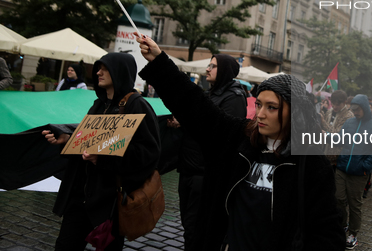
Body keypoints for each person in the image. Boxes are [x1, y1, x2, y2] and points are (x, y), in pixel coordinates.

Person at [135, 34, 345, 250]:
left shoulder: (311, 165)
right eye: (259, 104)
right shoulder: (237, 137)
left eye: (271, 107)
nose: (260, 114)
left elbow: (327, 232)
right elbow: (194, 104)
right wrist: (159, 60)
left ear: (295, 113)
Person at [42, 52, 161, 250]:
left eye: (105, 68)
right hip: (81, 196)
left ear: (119, 71)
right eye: (98, 68)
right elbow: (88, 140)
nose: (98, 72)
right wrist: (67, 139)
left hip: (110, 202)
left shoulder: (137, 105)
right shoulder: (99, 104)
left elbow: (149, 154)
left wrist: (104, 160)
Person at [174, 54, 247, 250]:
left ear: (224, 71)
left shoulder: (234, 97)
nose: (207, 69)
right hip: (188, 169)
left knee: (195, 229)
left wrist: (189, 121)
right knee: (188, 226)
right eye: (208, 65)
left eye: (213, 66)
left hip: (204, 174)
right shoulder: (211, 93)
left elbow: (222, 135)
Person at [334, 95, 372, 249]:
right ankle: (343, 225)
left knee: (355, 204)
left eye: (358, 109)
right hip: (342, 168)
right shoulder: (349, 123)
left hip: (358, 173)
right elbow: (340, 141)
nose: (355, 112)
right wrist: (327, 136)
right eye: (353, 109)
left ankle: (353, 233)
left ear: (365, 108)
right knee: (338, 198)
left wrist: (365, 166)